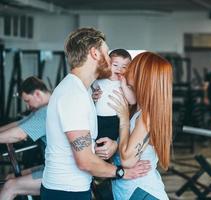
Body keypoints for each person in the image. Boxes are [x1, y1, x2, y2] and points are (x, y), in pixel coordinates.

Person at [41, 28, 150, 200]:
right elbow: (85, 161)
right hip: (66, 192)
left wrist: (110, 146)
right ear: (94, 53)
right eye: (107, 54)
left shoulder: (82, 91)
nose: (109, 59)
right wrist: (122, 172)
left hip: (71, 188)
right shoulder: (73, 94)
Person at [109, 52, 172, 200]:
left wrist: (124, 120)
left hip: (142, 193)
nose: (127, 70)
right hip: (131, 192)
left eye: (133, 67)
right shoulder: (137, 107)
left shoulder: (147, 115)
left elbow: (128, 161)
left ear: (142, 75)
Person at [0, 76, 50, 200]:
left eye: (27, 101)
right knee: (10, 178)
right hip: (50, 166)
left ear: (37, 94)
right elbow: (18, 125)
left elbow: (20, 134)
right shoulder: (42, 109)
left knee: (9, 186)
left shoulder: (47, 111)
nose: (28, 106)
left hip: (61, 173)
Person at [92, 48, 135, 143]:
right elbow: (91, 94)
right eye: (115, 65)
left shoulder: (126, 84)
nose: (119, 69)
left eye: (124, 67)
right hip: (97, 118)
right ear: (107, 65)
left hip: (116, 119)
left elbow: (133, 101)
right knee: (97, 142)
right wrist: (93, 96)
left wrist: (124, 85)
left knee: (113, 142)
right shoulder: (98, 81)